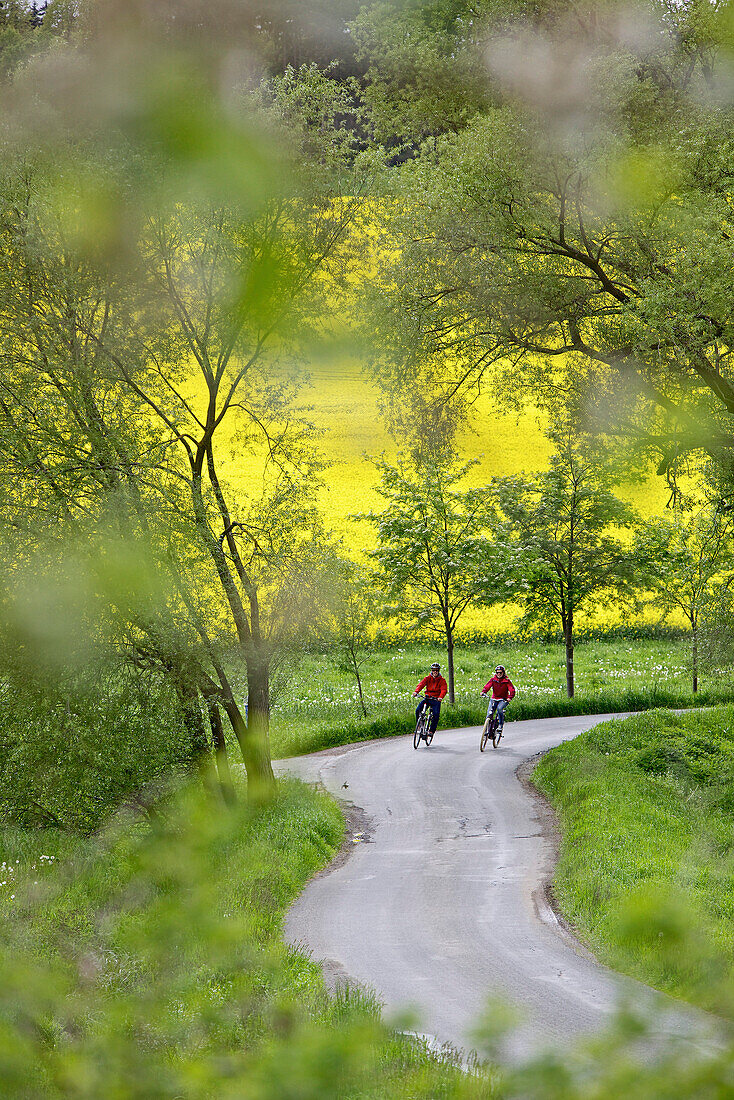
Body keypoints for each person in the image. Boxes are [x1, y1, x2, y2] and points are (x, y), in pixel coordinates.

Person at [412, 662, 448, 734]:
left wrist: (440, 697)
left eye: (436, 670)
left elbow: (444, 690)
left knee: (436, 715)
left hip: (436, 700)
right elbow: (421, 685)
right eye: (433, 670)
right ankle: (419, 725)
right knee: (418, 710)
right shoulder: (427, 678)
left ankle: (431, 731)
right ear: (431, 671)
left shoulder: (442, 680)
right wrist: (416, 692)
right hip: (427, 698)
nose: (435, 672)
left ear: (438, 671)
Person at [481, 665, 516, 733]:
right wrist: (483, 691)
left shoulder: (507, 681)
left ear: (503, 673)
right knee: (489, 714)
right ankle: (486, 730)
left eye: (500, 673)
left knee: (499, 709)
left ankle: (500, 725)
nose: (499, 674)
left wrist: (510, 697)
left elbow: (512, 690)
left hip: (503, 699)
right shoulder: (493, 680)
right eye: (497, 673)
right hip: (494, 699)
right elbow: (488, 686)